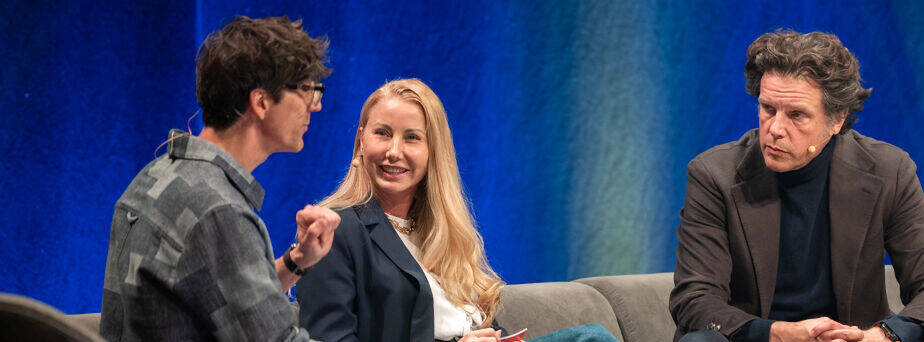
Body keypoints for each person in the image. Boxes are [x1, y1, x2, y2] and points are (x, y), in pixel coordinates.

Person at [294, 79, 618, 342]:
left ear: (432, 152)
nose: (394, 151)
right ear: (361, 140)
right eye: (382, 133)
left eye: (411, 138)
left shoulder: (439, 231)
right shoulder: (334, 229)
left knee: (592, 338)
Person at [670, 30, 924, 342]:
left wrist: (881, 337)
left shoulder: (890, 171)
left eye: (796, 115)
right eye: (768, 109)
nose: (775, 129)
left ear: (837, 120)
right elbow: (695, 300)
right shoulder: (713, 175)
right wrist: (779, 334)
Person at [101, 16, 339, 341]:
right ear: (261, 102)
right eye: (308, 90)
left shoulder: (154, 177)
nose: (317, 105)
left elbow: (220, 300)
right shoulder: (217, 211)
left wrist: (296, 262)